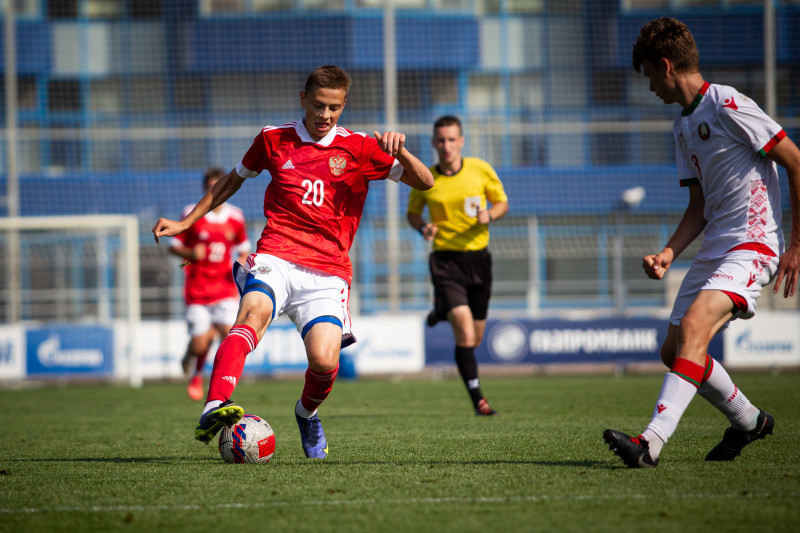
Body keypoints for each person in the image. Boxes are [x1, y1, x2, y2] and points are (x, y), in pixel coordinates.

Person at [152, 65, 434, 459]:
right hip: (276, 254)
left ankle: (306, 413)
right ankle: (214, 406)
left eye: (334, 108)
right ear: (303, 99)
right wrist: (186, 223)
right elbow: (231, 181)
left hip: (328, 270)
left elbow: (426, 182)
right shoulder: (273, 139)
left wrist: (400, 149)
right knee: (251, 317)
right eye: (318, 106)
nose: (325, 116)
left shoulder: (361, 147)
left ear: (344, 105)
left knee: (323, 359)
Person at [603, 17, 800, 468]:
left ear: (667, 66)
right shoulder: (681, 127)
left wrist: (796, 244)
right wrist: (669, 253)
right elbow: (699, 206)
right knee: (672, 352)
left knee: (694, 330)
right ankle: (749, 420)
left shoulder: (728, 104)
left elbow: (796, 162)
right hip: (715, 247)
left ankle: (649, 443)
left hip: (754, 245)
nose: (650, 86)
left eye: (650, 75)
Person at [406, 115, 509, 416]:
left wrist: (490, 215)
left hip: (478, 260)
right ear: (433, 143)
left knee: (474, 338)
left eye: (452, 139)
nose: (446, 145)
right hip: (445, 260)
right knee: (464, 333)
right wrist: (423, 227)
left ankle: (441, 309)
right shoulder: (425, 177)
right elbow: (413, 214)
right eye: (441, 140)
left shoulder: (481, 170)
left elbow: (502, 203)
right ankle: (479, 399)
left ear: (461, 141)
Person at [169, 166, 251, 401]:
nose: (215, 190)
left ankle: (213, 383)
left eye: (219, 186)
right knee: (200, 343)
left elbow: (244, 247)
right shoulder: (191, 212)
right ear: (205, 188)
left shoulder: (235, 217)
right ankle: (189, 357)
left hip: (225, 288)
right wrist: (190, 252)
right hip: (198, 290)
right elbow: (174, 246)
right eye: (210, 187)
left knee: (228, 334)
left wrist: (240, 264)